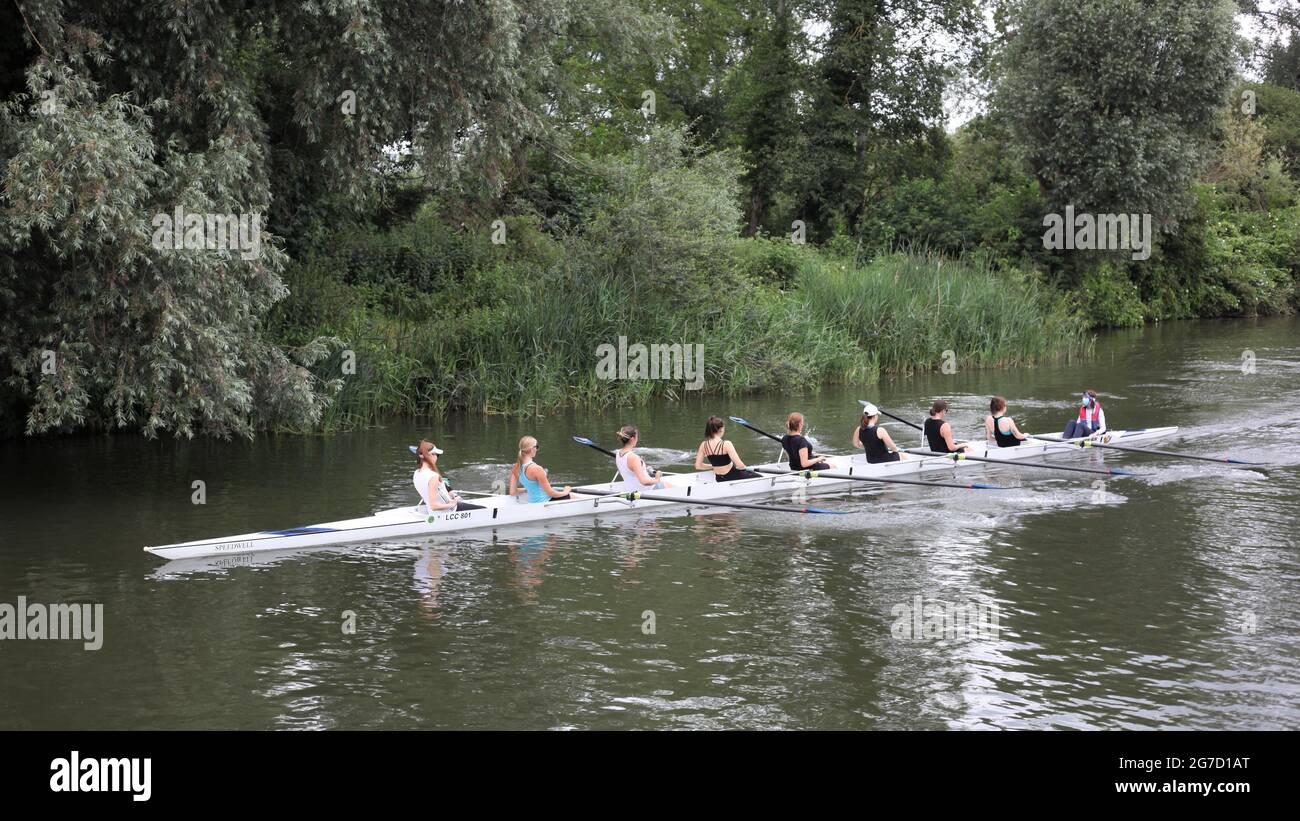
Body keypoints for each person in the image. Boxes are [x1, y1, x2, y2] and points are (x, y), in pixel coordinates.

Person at [413, 440, 484, 512]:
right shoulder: (433, 476)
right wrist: (453, 503)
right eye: (436, 454)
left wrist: (450, 496)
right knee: (483, 510)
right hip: (447, 512)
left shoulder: (416, 473)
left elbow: (427, 496)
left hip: (434, 512)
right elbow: (434, 506)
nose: (437, 457)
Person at [695, 416, 762, 481]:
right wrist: (744, 467)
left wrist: (714, 466)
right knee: (761, 477)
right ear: (721, 429)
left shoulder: (703, 445)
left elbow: (698, 466)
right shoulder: (726, 444)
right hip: (733, 476)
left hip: (719, 479)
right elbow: (740, 465)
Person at [508, 436, 572, 502]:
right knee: (573, 496)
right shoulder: (537, 469)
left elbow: (512, 492)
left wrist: (528, 489)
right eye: (537, 447)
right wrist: (565, 492)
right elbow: (551, 493)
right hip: (545, 502)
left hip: (533, 502)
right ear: (532, 449)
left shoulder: (516, 467)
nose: (537, 449)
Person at [614, 425, 665, 491]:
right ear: (632, 439)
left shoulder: (618, 453)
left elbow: (629, 471)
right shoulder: (633, 458)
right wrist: (657, 479)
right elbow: (644, 482)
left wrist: (642, 467)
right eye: (637, 437)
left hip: (630, 489)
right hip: (646, 491)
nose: (637, 439)